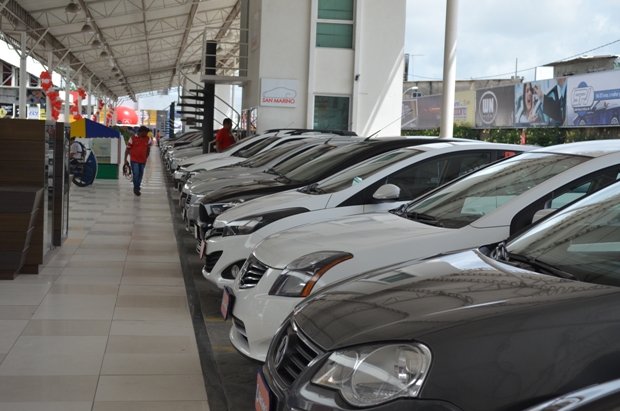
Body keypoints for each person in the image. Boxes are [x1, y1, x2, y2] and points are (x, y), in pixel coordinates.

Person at [124, 125, 152, 196]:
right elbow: (127, 149)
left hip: (143, 160)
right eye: (146, 132)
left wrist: (146, 157)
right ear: (142, 132)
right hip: (134, 159)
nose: (146, 134)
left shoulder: (148, 139)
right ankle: (136, 188)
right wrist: (125, 159)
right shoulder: (132, 138)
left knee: (140, 174)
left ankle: (137, 187)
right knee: (136, 173)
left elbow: (148, 149)